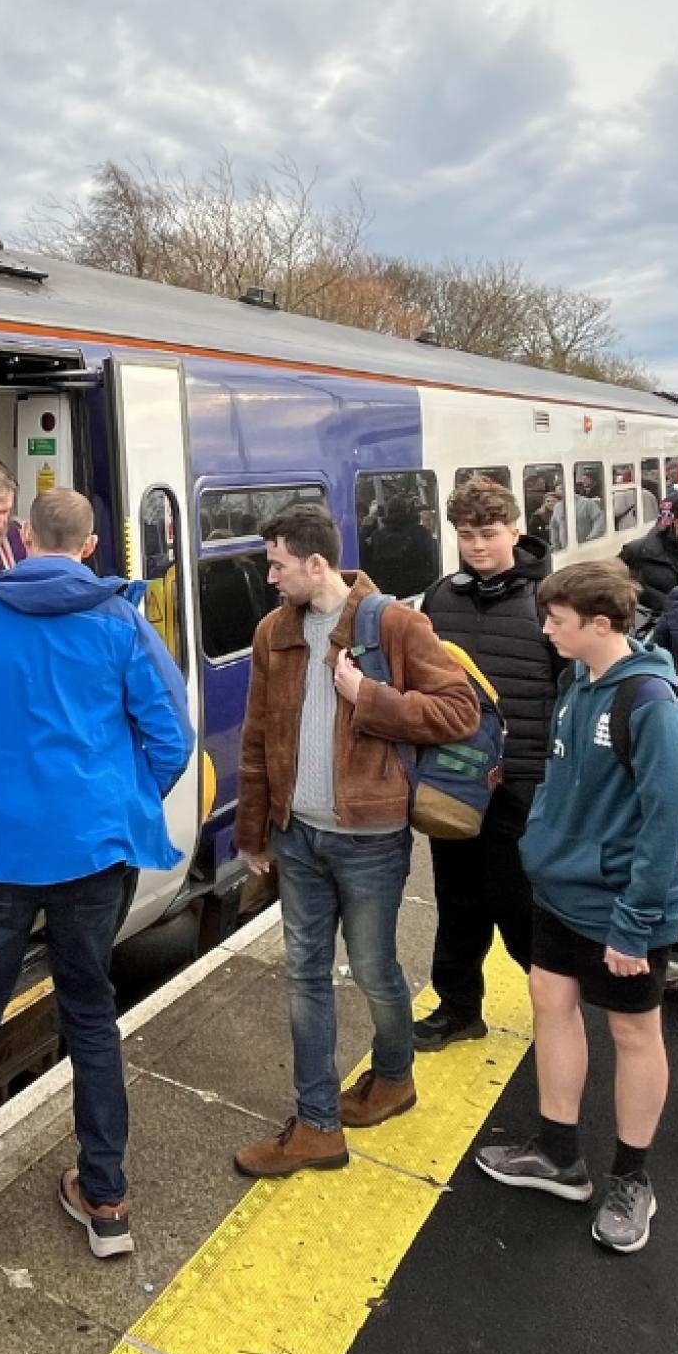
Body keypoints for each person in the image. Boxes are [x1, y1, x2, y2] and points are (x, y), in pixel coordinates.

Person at [0, 488, 193, 1281]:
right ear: (94, 544)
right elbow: (170, 736)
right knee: (90, 1014)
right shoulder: (119, 624)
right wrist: (115, 797)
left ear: (27, 538)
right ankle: (105, 1202)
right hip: (92, 857)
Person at [231, 504, 479, 1178]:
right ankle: (316, 1125)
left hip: (371, 836)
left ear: (317, 565)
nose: (270, 575)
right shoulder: (272, 633)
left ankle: (394, 1077)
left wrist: (369, 696)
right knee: (305, 977)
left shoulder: (393, 624)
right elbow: (258, 736)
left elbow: (460, 711)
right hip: (298, 838)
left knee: (374, 971)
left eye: (278, 563)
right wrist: (251, 829)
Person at [474, 561, 678, 1253]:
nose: (545, 630)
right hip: (559, 891)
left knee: (634, 1034)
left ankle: (633, 1180)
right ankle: (559, 1153)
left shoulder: (652, 704)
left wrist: (635, 922)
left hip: (623, 907)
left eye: (557, 621)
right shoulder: (577, 681)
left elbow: (666, 821)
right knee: (549, 1000)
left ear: (601, 624)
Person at [414, 479, 559, 1051]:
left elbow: (567, 686)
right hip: (459, 775)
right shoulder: (439, 597)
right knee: (457, 897)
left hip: (525, 776)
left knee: (519, 900)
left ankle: (556, 1005)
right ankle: (457, 1008)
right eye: (465, 534)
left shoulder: (549, 597)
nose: (476, 546)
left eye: (488, 534)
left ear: (514, 531)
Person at [362, 493, 441, 596]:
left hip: (386, 595)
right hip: (419, 593)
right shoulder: (421, 534)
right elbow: (435, 562)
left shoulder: (377, 537)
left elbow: (363, 558)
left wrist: (368, 523)